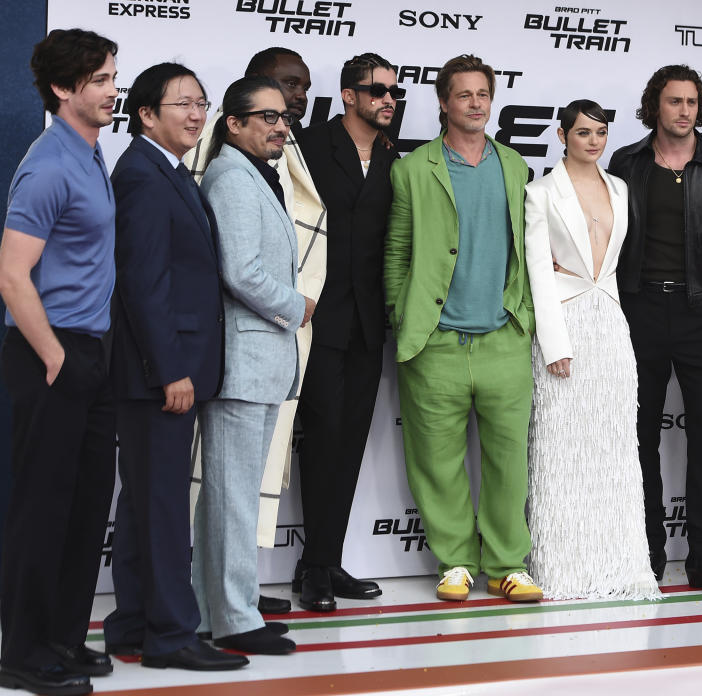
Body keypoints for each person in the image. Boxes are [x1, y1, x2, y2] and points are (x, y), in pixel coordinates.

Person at [102, 62, 249, 671]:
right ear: (145, 113)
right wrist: (170, 370)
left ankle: (134, 624)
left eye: (201, 103)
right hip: (158, 374)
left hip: (158, 371)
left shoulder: (165, 169)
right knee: (161, 507)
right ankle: (170, 636)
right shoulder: (142, 175)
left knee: (144, 504)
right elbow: (143, 285)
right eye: (182, 103)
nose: (196, 114)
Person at [384, 54, 542, 603]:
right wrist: (402, 319)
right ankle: (455, 561)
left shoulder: (517, 167)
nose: (476, 104)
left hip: (504, 337)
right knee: (437, 461)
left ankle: (507, 564)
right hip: (435, 341)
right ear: (444, 103)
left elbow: (529, 250)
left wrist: (522, 315)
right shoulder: (411, 169)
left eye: (483, 94)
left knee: (509, 460)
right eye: (464, 95)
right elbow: (397, 253)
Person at [184, 47, 327, 616]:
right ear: (233, 123)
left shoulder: (253, 174)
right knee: (233, 500)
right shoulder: (234, 178)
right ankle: (235, 617)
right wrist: (296, 307)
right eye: (266, 116)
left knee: (230, 498)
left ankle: (220, 606)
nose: (280, 126)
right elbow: (239, 271)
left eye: (284, 116)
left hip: (260, 364)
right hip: (245, 363)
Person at [609, 64, 702, 596]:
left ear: (700, 107)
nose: (684, 111)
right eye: (674, 102)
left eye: (692, 102)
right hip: (639, 314)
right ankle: (646, 552)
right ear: (656, 106)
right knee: (638, 437)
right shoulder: (625, 163)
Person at [0, 28, 118, 696]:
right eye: (99, 79)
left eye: (112, 76)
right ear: (62, 89)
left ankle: (62, 638)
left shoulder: (90, 152)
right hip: (52, 350)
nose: (112, 89)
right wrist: (53, 358)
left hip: (90, 350)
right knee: (44, 508)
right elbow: (13, 275)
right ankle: (21, 651)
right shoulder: (47, 163)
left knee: (83, 506)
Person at [524, 100, 661, 600]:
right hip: (564, 323)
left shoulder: (620, 187)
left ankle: (619, 563)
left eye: (601, 133)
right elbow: (539, 270)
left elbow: (616, 267)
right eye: (583, 133)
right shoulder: (539, 192)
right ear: (562, 136)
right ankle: (562, 567)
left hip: (610, 323)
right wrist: (553, 342)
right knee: (561, 449)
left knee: (614, 448)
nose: (594, 141)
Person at [292, 53, 400, 611]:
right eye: (376, 89)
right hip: (315, 318)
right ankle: (312, 567)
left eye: (393, 91)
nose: (387, 98)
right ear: (348, 95)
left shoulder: (392, 155)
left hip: (368, 322)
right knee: (323, 438)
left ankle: (329, 561)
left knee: (351, 441)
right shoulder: (307, 147)